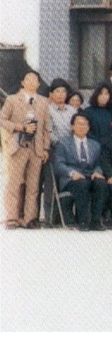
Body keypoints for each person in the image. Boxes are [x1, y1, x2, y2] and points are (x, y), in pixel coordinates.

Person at [1, 70, 51, 229]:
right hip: (18, 145)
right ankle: (11, 218)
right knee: (14, 183)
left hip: (36, 148)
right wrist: (19, 127)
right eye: (28, 79)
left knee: (33, 185)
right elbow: (2, 119)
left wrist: (46, 147)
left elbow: (46, 127)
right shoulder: (12, 99)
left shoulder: (43, 102)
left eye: (35, 80)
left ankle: (29, 218)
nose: (32, 82)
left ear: (38, 83)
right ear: (22, 82)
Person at [52, 113, 105, 231]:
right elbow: (58, 164)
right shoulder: (63, 143)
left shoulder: (95, 145)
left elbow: (99, 164)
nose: (82, 127)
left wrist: (97, 172)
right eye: (79, 124)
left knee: (100, 183)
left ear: (89, 127)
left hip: (90, 175)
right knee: (82, 184)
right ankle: (83, 221)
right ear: (72, 126)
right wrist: (72, 173)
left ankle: (96, 221)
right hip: (71, 178)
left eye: (85, 124)